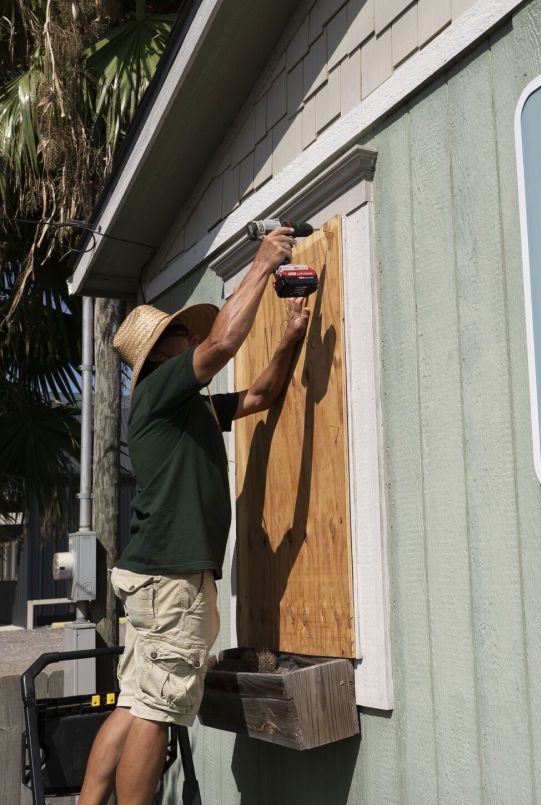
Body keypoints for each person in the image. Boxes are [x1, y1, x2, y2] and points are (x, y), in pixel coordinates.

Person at [79, 227, 307, 805]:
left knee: (134, 703)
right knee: (157, 713)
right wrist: (260, 265)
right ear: (159, 350)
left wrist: (290, 337)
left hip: (158, 576)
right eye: (182, 331)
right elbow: (226, 344)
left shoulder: (191, 407)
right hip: (171, 578)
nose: (193, 334)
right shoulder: (158, 389)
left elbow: (259, 397)